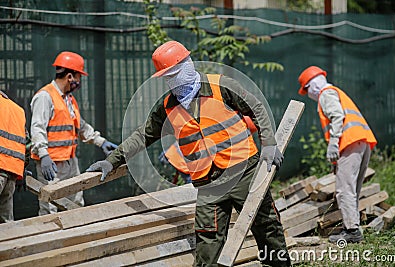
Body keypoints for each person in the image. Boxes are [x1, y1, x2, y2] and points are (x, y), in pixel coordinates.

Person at [87, 40, 290, 266]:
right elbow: (143, 135)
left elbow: (257, 107)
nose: (171, 80)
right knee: (207, 238)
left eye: (174, 73)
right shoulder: (167, 106)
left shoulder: (220, 86)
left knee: (266, 227)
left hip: (244, 172)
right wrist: (111, 161)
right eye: (167, 76)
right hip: (209, 183)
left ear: (188, 64)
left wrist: (269, 143)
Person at [30, 51, 118, 215]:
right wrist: (43, 156)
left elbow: (80, 126)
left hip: (70, 162)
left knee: (75, 203)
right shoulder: (45, 97)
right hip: (51, 164)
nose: (79, 82)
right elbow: (37, 128)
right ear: (70, 76)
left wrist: (101, 141)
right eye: (79, 77)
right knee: (50, 207)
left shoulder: (68, 99)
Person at [297, 66, 377, 243]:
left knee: (344, 189)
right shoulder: (336, 91)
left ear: (312, 86)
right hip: (361, 142)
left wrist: (333, 142)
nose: (308, 94)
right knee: (352, 188)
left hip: (349, 142)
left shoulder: (326, 94)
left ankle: (352, 231)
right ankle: (352, 226)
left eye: (307, 90)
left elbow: (337, 116)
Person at [0, 90, 31, 223]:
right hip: (11, 175)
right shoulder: (17, 110)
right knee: (6, 223)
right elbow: (27, 144)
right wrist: (21, 169)